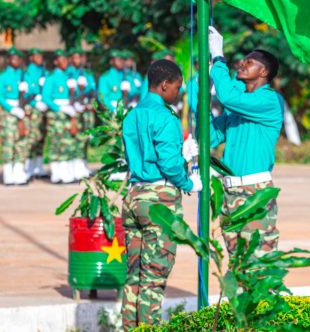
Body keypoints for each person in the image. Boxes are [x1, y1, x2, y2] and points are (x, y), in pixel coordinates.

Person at [120, 59, 202, 330]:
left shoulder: (132, 114)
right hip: (158, 199)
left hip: (134, 195)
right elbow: (167, 162)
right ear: (164, 85)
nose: (178, 93)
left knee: (134, 276)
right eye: (177, 88)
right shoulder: (166, 117)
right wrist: (189, 182)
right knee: (153, 279)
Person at [201, 27, 284, 254]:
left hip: (254, 191)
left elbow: (228, 96)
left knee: (258, 264)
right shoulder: (238, 107)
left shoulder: (270, 100)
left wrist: (218, 58)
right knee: (237, 263)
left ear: (263, 71)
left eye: (250, 62)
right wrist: (203, 95)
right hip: (230, 193)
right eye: (243, 61)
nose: (242, 64)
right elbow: (209, 136)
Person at [0, 48, 31, 185]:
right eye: (13, 58)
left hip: (22, 110)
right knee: (9, 142)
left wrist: (26, 92)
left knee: (22, 141)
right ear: (8, 60)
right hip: (9, 113)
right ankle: (8, 173)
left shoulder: (24, 75)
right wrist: (12, 108)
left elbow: (34, 91)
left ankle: (19, 171)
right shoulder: (2, 76)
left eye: (18, 58)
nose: (16, 61)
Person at [42, 49, 79, 184]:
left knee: (68, 142)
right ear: (56, 62)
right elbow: (46, 97)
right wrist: (60, 108)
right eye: (61, 60)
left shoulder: (68, 77)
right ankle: (56, 173)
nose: (65, 63)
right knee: (57, 143)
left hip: (67, 112)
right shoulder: (51, 78)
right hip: (56, 115)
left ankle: (64, 171)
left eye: (66, 60)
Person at [68, 48, 93, 180]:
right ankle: (74, 165)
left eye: (82, 57)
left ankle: (82, 162)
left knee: (85, 138)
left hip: (84, 109)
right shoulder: (68, 73)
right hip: (73, 109)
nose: (80, 60)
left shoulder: (85, 73)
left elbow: (92, 89)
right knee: (75, 139)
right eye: (77, 57)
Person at [24, 48, 49, 179]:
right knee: (32, 137)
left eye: (41, 55)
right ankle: (28, 167)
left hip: (43, 108)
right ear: (31, 58)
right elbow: (28, 92)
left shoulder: (43, 71)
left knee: (41, 136)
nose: (40, 58)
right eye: (37, 56)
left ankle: (38, 166)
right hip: (33, 108)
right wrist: (36, 102)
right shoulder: (28, 72)